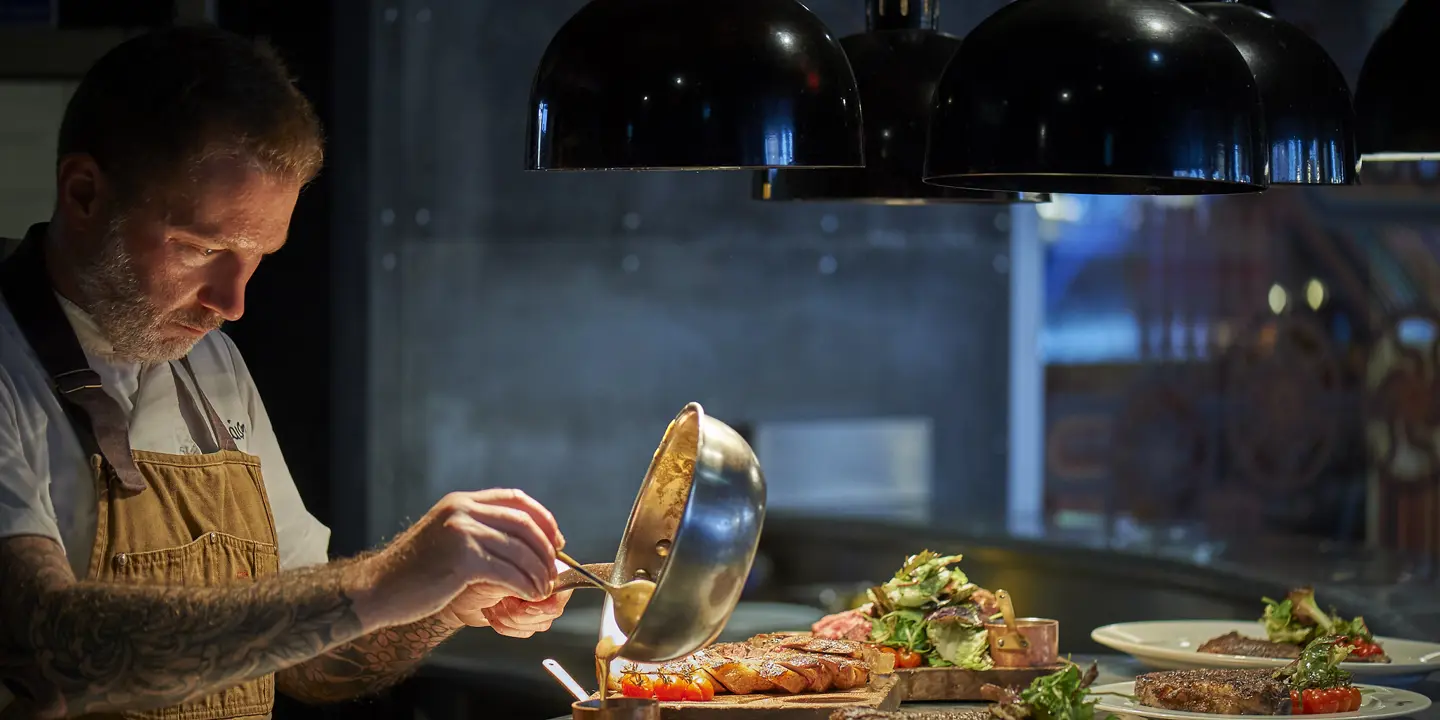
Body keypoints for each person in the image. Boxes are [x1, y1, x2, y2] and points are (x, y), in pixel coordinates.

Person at [0, 25, 572, 719]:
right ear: (85, 194)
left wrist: (444, 603)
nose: (231, 303)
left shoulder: (207, 362)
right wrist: (385, 579)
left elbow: (307, 652)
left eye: (259, 256)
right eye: (200, 246)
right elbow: (47, 652)